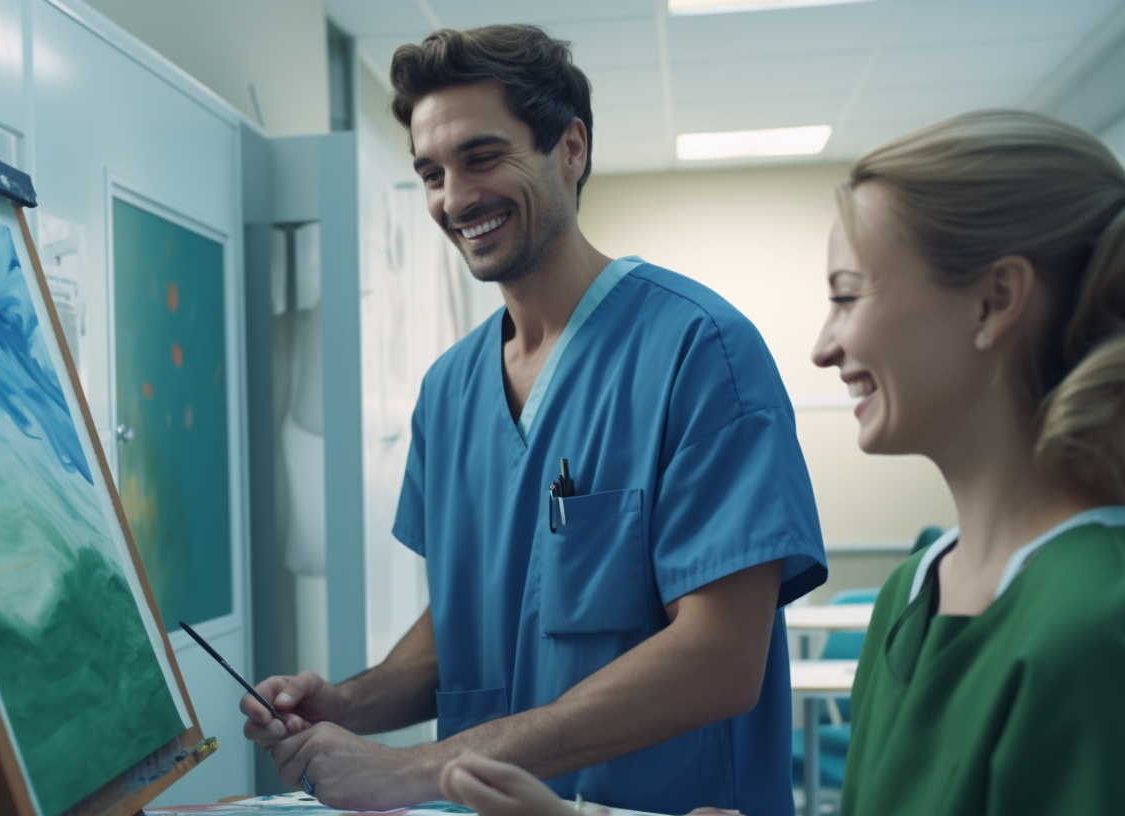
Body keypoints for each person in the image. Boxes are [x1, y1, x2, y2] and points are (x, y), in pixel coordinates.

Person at [431, 109, 1125, 816]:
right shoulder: (912, 594)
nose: (823, 347)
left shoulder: (1096, 625)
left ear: (995, 301)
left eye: (848, 296)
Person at [239, 24, 826, 816]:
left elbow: (720, 656)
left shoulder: (701, 351)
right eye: (431, 173)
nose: (455, 198)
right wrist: (353, 704)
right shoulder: (449, 392)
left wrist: (419, 767)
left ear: (571, 149)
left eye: (482, 158)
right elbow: (473, 613)